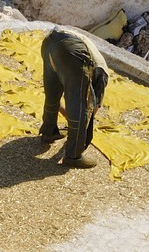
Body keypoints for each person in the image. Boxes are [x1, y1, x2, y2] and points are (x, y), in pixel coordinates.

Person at [40, 26, 109, 168]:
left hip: (50, 41)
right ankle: (73, 156)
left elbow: (57, 103)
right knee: (79, 105)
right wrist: (76, 128)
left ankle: (49, 132)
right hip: (71, 50)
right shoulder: (101, 77)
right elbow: (88, 110)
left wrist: (71, 121)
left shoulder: (95, 66)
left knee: (52, 94)